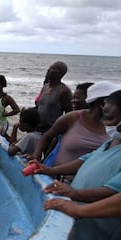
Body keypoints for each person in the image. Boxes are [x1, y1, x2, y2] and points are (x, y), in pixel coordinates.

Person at [33, 90, 121, 240]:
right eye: (105, 118)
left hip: (101, 231)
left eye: (111, 119)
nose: (107, 124)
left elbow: (112, 192)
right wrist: (50, 170)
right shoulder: (110, 142)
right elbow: (84, 160)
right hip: (82, 225)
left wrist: (76, 197)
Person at [27, 81, 117, 181]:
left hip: (86, 187)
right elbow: (48, 136)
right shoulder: (72, 118)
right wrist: (36, 155)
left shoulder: (114, 127)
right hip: (57, 178)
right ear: (102, 103)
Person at [36, 61, 73, 132]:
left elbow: (69, 113)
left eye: (52, 69)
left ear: (60, 73)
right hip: (37, 127)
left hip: (51, 130)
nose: (48, 70)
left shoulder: (64, 91)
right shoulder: (46, 87)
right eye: (49, 68)